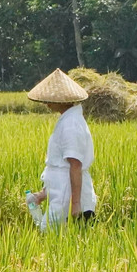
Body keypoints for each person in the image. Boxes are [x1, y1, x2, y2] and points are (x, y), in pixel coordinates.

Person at [25, 68, 96, 227]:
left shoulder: (71, 125)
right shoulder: (68, 120)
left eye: (50, 99)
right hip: (63, 192)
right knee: (49, 236)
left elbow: (75, 165)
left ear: (61, 100)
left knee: (51, 237)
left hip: (68, 197)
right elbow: (59, 168)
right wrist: (41, 195)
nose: (46, 103)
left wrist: (75, 204)